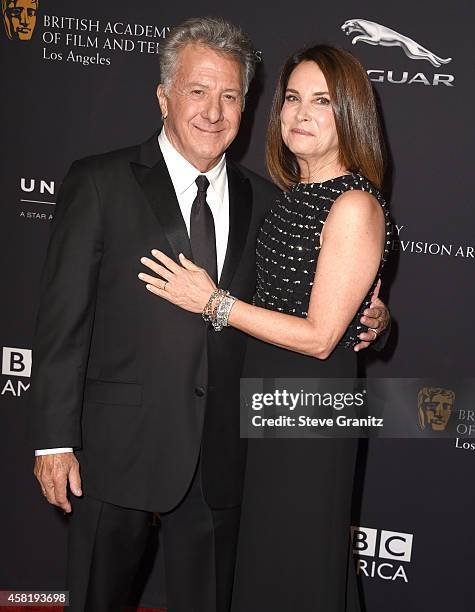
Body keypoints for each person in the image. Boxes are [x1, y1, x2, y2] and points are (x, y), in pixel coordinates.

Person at [29, 16, 389, 612]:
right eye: (198, 92)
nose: (214, 111)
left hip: (229, 460)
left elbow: (319, 294)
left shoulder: (269, 198)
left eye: (230, 96)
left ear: (247, 108)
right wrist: (52, 441)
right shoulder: (99, 182)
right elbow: (61, 322)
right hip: (115, 454)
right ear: (164, 97)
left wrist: (375, 319)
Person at [139, 43, 390, 611]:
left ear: (350, 113)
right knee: (266, 560)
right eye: (293, 98)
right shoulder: (292, 196)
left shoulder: (352, 204)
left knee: (297, 560)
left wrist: (212, 302)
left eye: (322, 101)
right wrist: (378, 315)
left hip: (310, 399)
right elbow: (323, 296)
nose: (301, 114)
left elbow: (322, 336)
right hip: (268, 390)